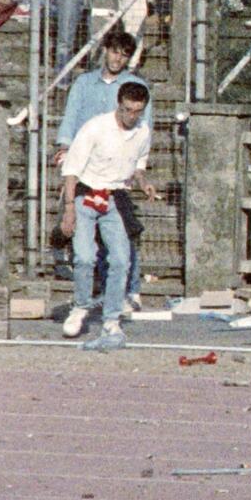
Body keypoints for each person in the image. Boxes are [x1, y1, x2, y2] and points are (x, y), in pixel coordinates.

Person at [59, 79, 154, 351]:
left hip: (114, 198)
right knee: (85, 257)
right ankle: (79, 307)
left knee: (121, 260)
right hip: (85, 195)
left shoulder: (142, 131)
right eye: (127, 110)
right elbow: (71, 171)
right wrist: (69, 211)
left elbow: (138, 165)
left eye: (137, 111)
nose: (131, 116)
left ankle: (111, 318)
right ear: (118, 104)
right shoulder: (96, 128)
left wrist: (143, 181)